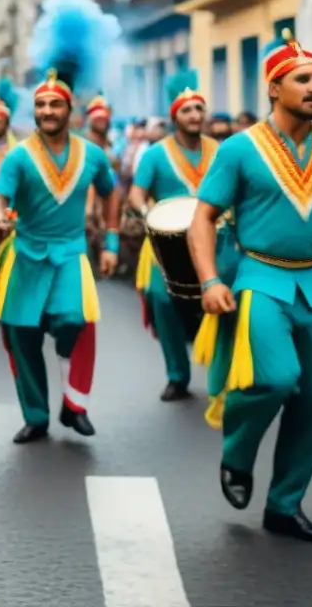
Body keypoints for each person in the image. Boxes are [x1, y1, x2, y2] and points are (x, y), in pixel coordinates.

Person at [188, 28, 312, 544]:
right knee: (275, 379)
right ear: (275, 88)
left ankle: (284, 505)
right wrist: (210, 279)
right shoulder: (238, 150)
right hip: (258, 280)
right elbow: (203, 218)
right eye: (303, 78)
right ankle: (237, 451)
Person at [0, 0, 121, 444]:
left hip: (71, 255)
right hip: (23, 253)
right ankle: (37, 416)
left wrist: (114, 242)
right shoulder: (19, 158)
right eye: (41, 105)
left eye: (55, 104)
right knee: (21, 336)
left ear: (70, 109)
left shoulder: (94, 156)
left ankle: (74, 404)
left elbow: (111, 193)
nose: (46, 111)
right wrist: (0, 215)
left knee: (73, 322)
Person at [130, 70, 235, 401]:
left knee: (224, 301)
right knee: (163, 300)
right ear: (175, 116)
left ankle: (224, 372)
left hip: (216, 241)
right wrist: (147, 215)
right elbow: (136, 194)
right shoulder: (155, 154)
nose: (195, 115)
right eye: (187, 110)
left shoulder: (221, 151)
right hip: (168, 245)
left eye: (199, 109)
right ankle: (177, 375)